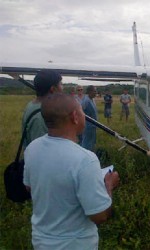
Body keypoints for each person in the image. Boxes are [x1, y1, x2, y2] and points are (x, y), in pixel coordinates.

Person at [23, 93, 120, 249]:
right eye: (82, 111)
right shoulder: (85, 159)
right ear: (75, 117)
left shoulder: (32, 148)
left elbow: (29, 187)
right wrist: (109, 185)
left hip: (41, 241)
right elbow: (100, 215)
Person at [22, 69, 63, 148]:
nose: (62, 88)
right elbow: (41, 149)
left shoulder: (33, 105)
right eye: (61, 84)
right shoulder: (41, 115)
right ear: (53, 89)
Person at [81, 85, 98, 151]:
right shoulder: (86, 101)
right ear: (90, 92)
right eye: (95, 91)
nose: (96, 92)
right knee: (86, 142)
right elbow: (81, 112)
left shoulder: (92, 99)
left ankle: (91, 153)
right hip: (87, 126)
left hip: (93, 126)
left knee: (92, 142)